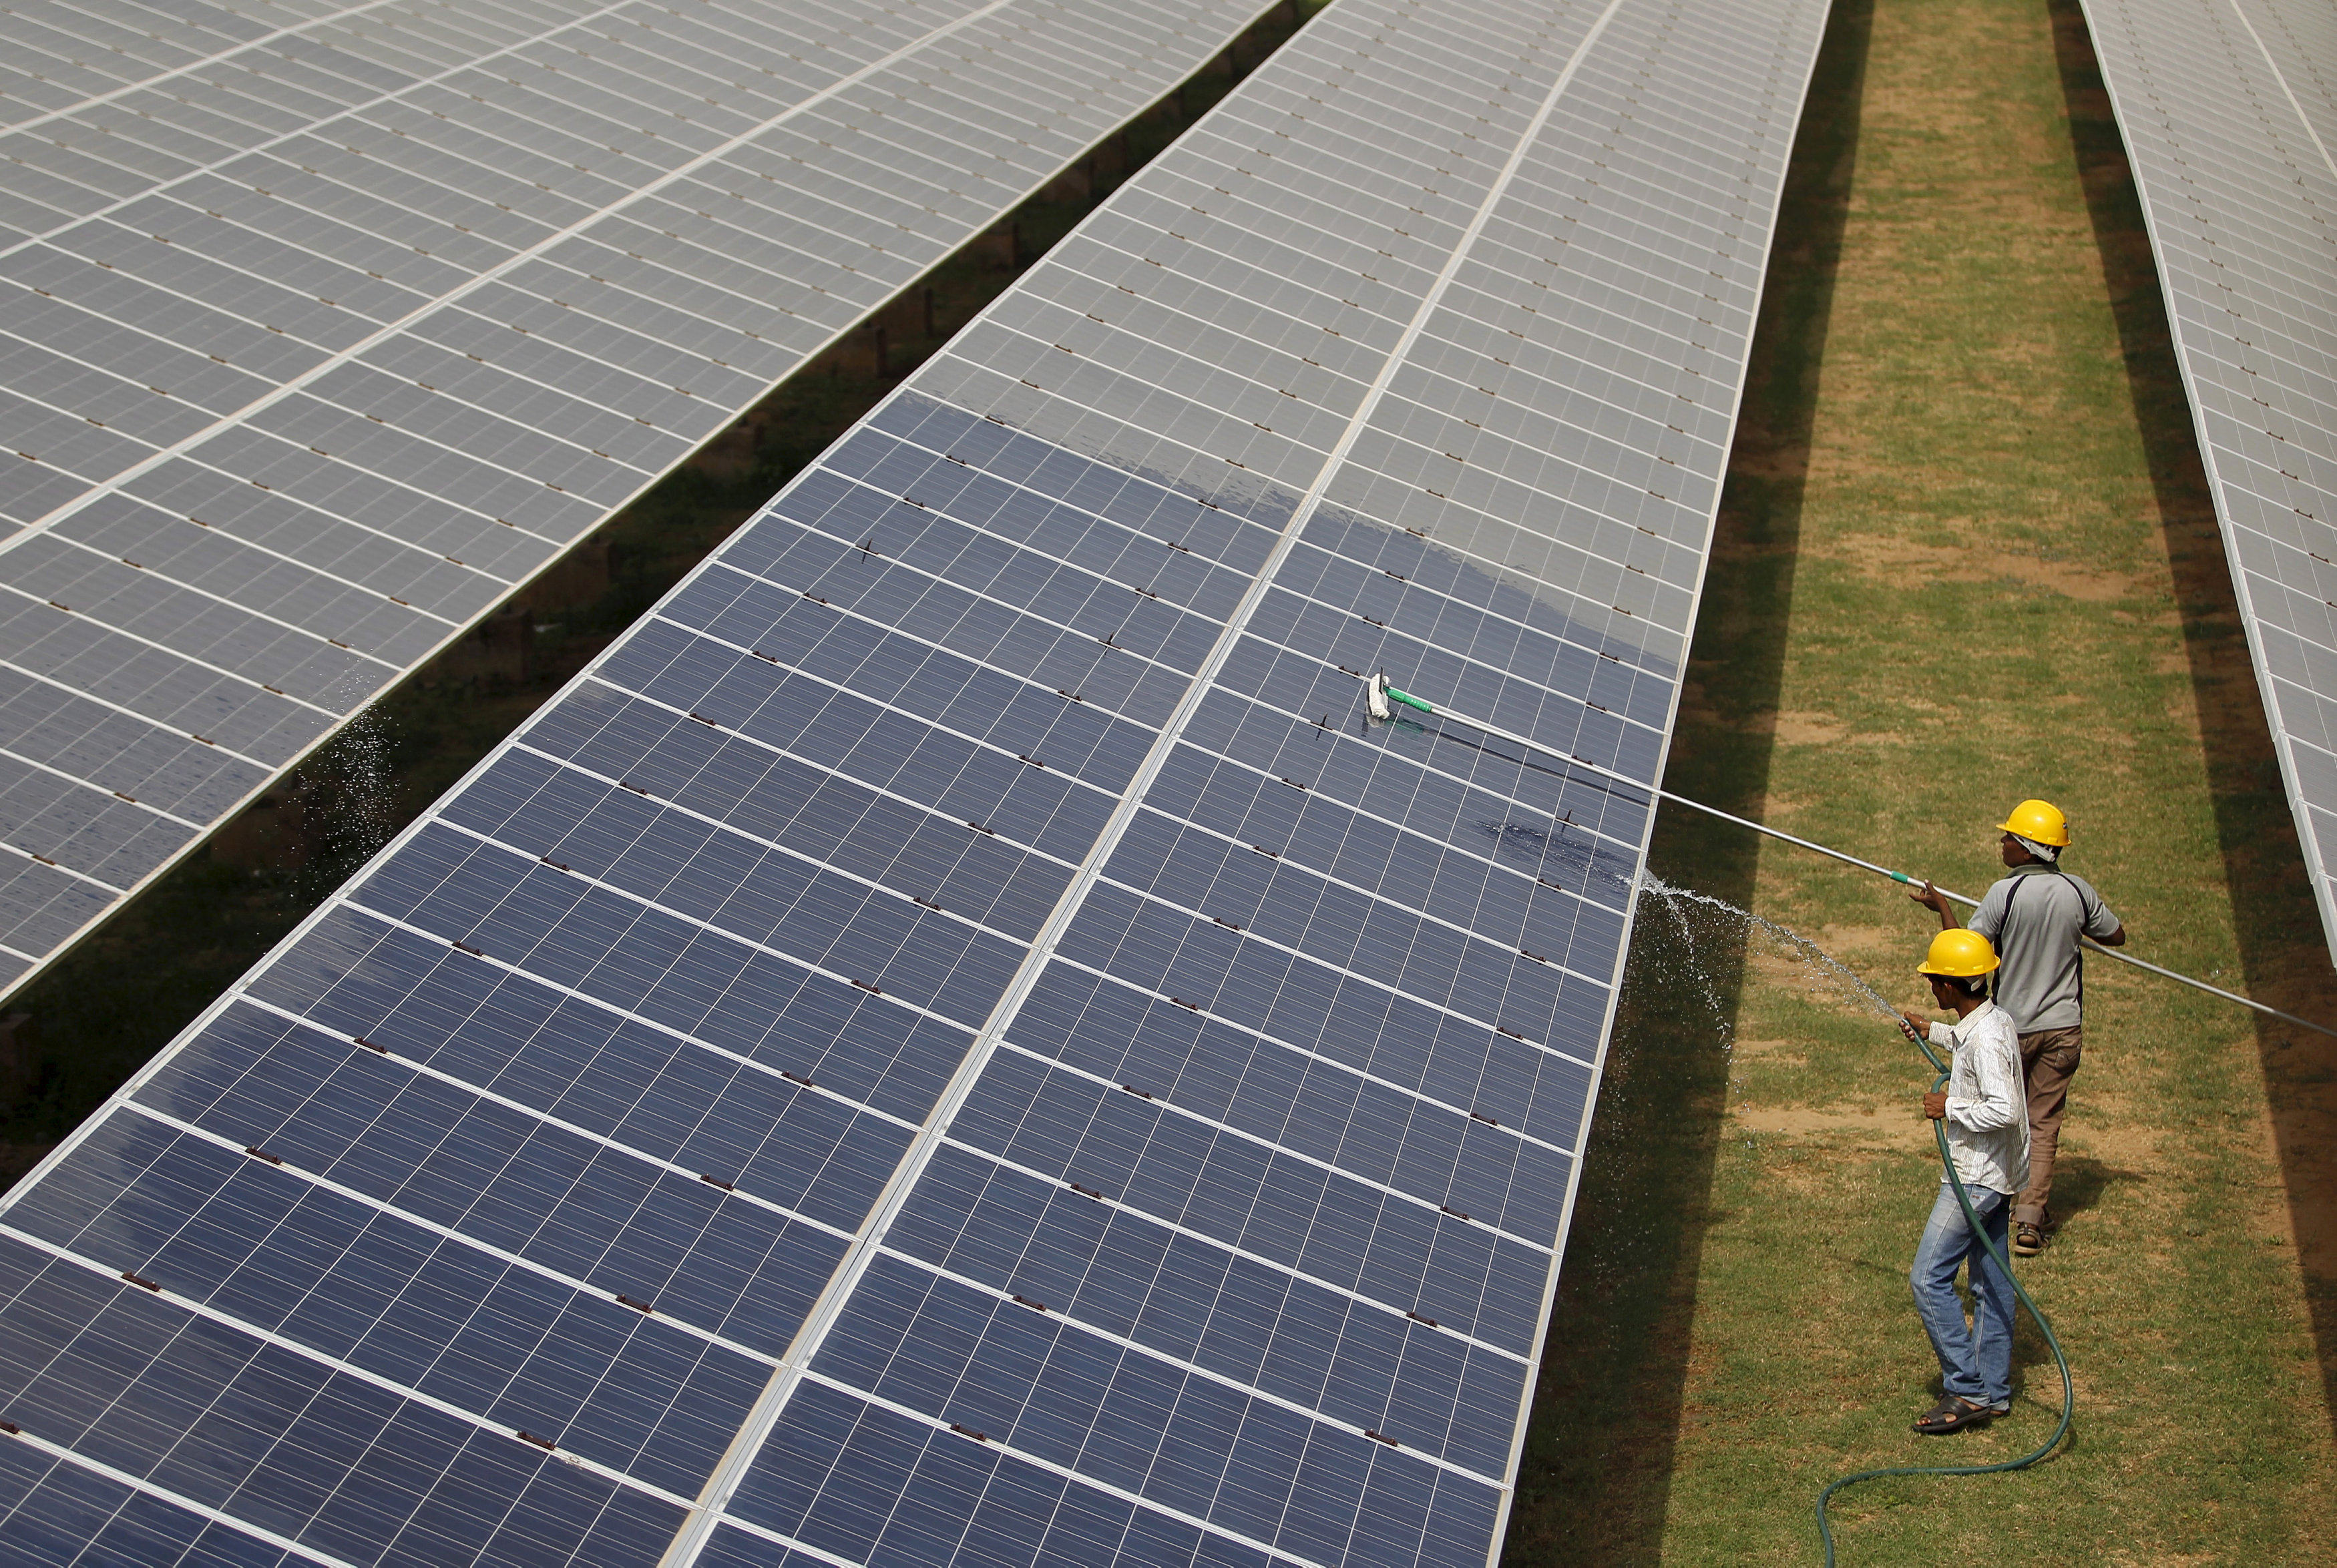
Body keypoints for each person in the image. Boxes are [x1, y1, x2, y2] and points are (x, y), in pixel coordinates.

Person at [1909, 798, 2123, 1256]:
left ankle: (1994, 1200)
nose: (2001, 842)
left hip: (2011, 1028)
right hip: (2064, 1029)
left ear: (2027, 849)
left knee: (2006, 1113)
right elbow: (2116, 934)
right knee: (2042, 1123)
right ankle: (2029, 1221)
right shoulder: (2077, 892)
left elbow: (1966, 951)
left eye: (2008, 836)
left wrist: (1942, 907)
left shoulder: (2004, 894)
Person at [1898, 928, 2031, 1434]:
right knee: (1992, 1284)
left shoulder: (1989, 1040)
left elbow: (2006, 1107)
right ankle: (1994, 1392)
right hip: (1998, 1181)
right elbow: (1967, 1041)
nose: (1932, 986)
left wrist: (1947, 1106)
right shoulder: (1991, 1020)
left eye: (1935, 980)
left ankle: (1968, 1387)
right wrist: (1931, 1029)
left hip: (1973, 1182)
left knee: (1927, 1278)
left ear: (1953, 986)